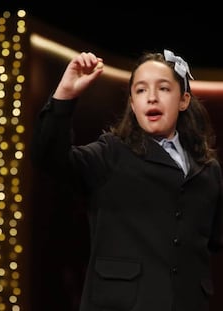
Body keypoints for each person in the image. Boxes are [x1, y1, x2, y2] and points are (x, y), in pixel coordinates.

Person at [31, 50, 223, 311]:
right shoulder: (112, 152)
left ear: (184, 100)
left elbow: (212, 240)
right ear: (133, 104)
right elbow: (49, 157)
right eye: (141, 91)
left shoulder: (208, 170)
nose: (152, 97)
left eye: (164, 88)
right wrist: (65, 94)